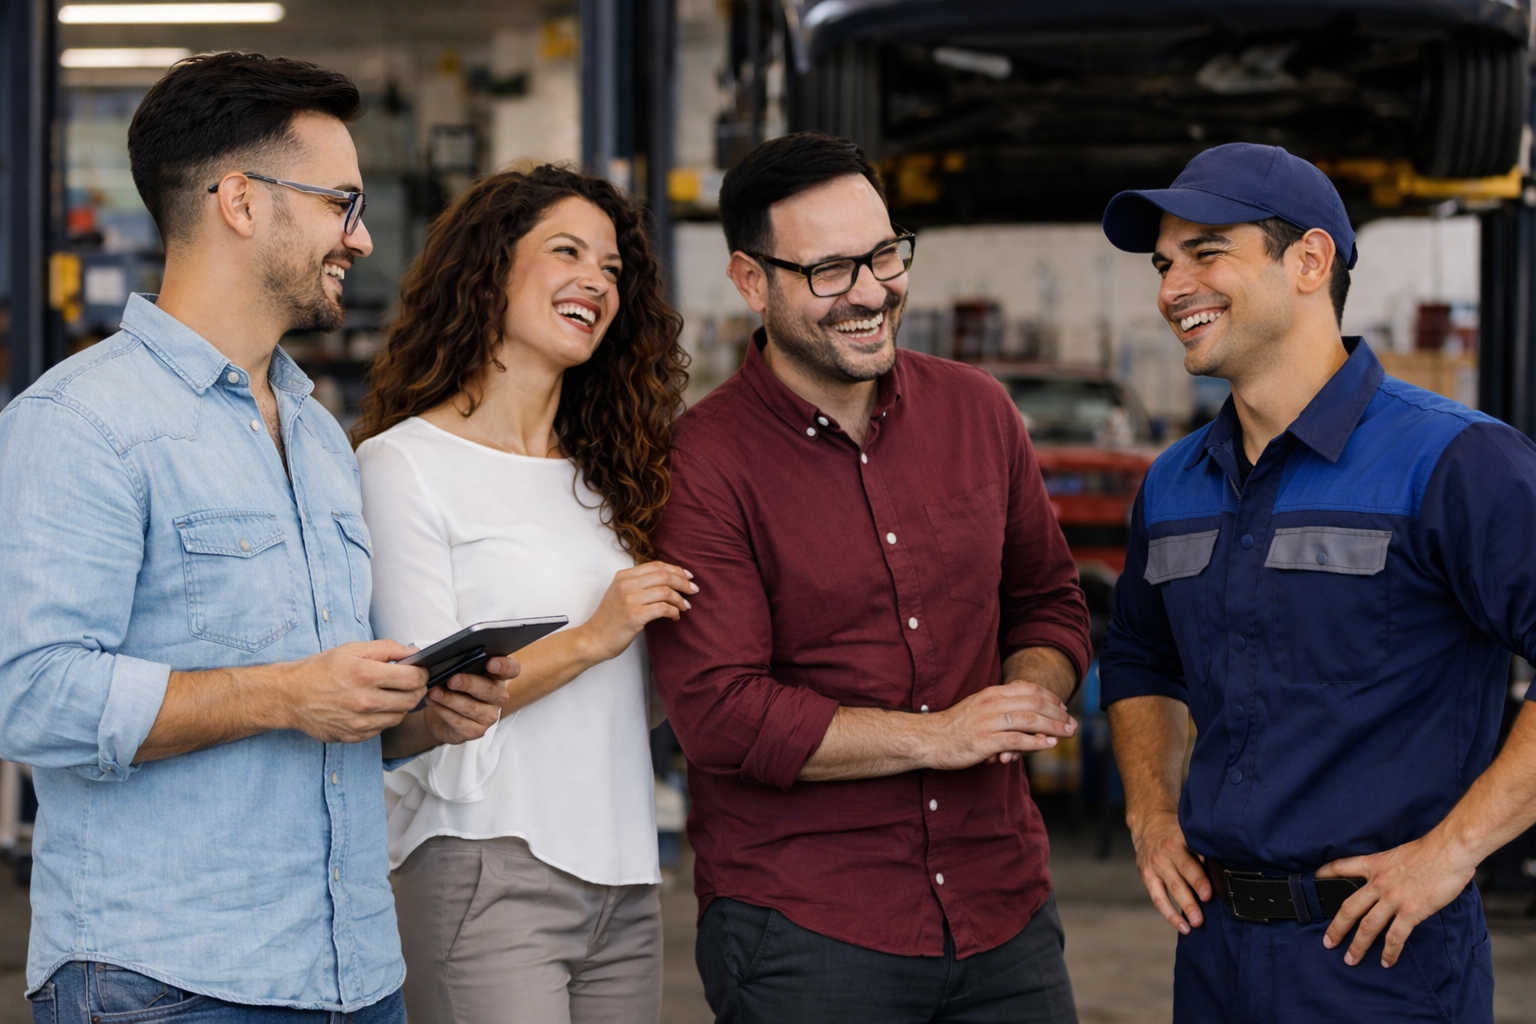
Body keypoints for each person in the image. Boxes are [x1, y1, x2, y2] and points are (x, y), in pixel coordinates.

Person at [0, 53, 515, 1024]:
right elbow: (31, 696)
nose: (361, 238)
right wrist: (285, 693)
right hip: (169, 983)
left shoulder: (317, 435)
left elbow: (321, 709)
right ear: (240, 200)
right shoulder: (80, 424)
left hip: (353, 974)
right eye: (341, 204)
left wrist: (418, 712)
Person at [646, 131, 1093, 1024]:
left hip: (1004, 908)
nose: (871, 292)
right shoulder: (701, 464)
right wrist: (940, 736)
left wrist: (1029, 693)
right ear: (750, 281)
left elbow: (1047, 601)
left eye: (885, 255)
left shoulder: (979, 411)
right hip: (809, 929)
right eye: (830, 270)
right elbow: (724, 714)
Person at [1099, 142, 1536, 1023]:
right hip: (1214, 956)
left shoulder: (1456, 461)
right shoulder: (1174, 482)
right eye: (1164, 264)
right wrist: (1150, 814)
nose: (1172, 288)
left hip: (1384, 962)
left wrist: (1454, 852)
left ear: (1309, 261)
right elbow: (1140, 656)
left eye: (1205, 252)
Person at [352, 165, 691, 1024]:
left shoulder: (613, 482)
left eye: (612, 268)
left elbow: (637, 697)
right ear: (492, 269)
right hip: (485, 861)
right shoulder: (403, 465)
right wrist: (595, 634)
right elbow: (431, 698)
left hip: (624, 873)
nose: (596, 281)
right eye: (567, 252)